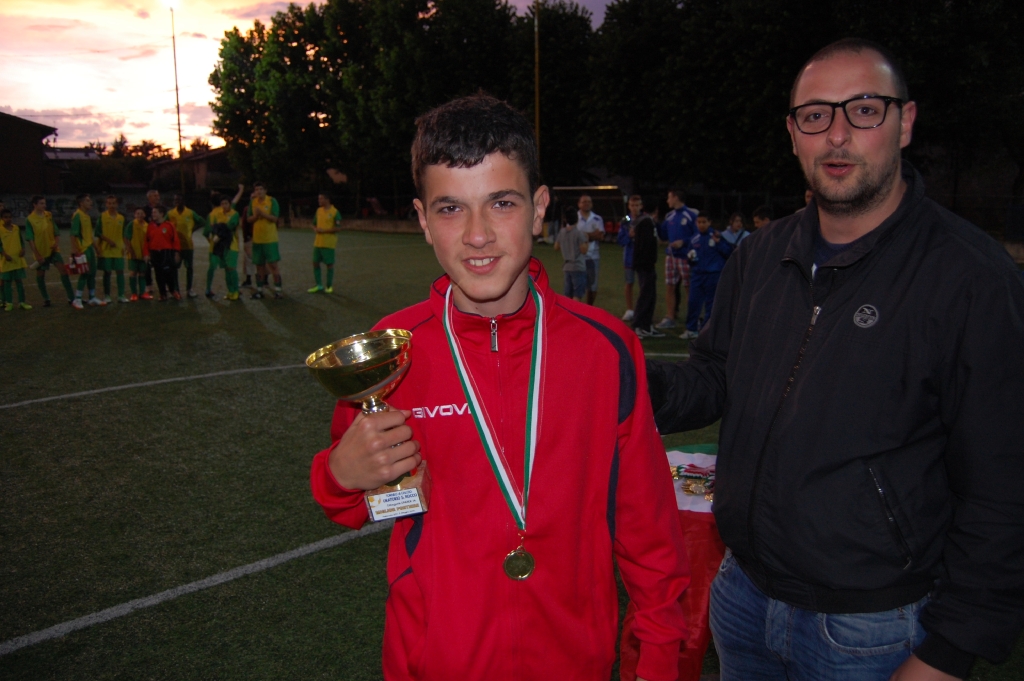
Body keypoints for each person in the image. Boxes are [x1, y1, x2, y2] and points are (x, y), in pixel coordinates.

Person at [646, 38, 1024, 681]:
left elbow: (1004, 485)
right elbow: (712, 378)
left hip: (872, 629)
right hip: (743, 597)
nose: (838, 134)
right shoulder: (760, 256)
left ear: (905, 122)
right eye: (816, 115)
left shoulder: (970, 278)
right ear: (794, 134)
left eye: (865, 110)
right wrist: (618, 376)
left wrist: (950, 650)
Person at [310, 93, 689, 681]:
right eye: (451, 209)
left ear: (539, 209)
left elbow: (649, 526)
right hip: (435, 661)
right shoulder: (392, 350)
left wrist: (660, 659)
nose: (478, 234)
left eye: (502, 203)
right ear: (423, 220)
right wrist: (339, 474)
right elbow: (350, 496)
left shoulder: (605, 347)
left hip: (574, 662)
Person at [680, 215, 732, 340]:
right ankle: (691, 329)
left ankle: (706, 331)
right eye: (699, 222)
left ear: (709, 222)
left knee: (711, 304)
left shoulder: (717, 236)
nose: (701, 225)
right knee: (693, 302)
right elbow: (689, 256)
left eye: (704, 222)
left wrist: (719, 243)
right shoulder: (694, 238)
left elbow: (729, 252)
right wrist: (691, 259)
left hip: (713, 275)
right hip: (697, 275)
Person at [656, 189, 698, 330]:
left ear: (676, 197)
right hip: (671, 256)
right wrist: (656, 223)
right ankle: (670, 317)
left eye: (669, 197)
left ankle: (693, 318)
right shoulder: (669, 216)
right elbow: (663, 235)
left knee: (689, 287)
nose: (667, 200)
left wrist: (683, 242)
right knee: (670, 286)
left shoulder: (691, 215)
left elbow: (698, 235)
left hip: (685, 257)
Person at [24, 195, 75, 307]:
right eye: (41, 203)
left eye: (45, 203)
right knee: (41, 275)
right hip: (41, 252)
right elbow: (30, 239)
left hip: (53, 250)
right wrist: (37, 254)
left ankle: (71, 298)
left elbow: (56, 231)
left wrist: (56, 243)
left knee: (63, 271)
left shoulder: (48, 215)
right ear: (35, 205)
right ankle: (46, 299)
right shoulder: (30, 219)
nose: (44, 205)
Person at [205, 185, 245, 300]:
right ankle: (230, 291)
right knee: (227, 269)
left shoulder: (234, 214)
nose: (224, 205)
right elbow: (214, 227)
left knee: (231, 268)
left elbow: (228, 227)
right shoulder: (217, 214)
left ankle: (236, 291)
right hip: (222, 246)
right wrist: (218, 228)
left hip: (232, 245)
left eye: (226, 203)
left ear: (229, 204)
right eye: (222, 203)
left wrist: (219, 231)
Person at [630, 197, 661, 338]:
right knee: (646, 295)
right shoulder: (646, 222)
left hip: (646, 264)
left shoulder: (646, 221)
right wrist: (643, 263)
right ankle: (638, 325)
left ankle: (647, 325)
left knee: (651, 295)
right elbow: (644, 246)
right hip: (645, 265)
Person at [247, 182, 282, 299]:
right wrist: (256, 216)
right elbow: (249, 219)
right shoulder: (253, 202)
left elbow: (275, 218)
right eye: (256, 190)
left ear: (265, 191)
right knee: (259, 265)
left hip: (270, 239)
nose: (259, 192)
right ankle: (260, 290)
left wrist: (262, 214)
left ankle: (278, 290)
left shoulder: (272, 201)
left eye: (261, 189)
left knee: (273, 265)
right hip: (257, 240)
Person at [168, 194, 208, 298]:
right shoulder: (170, 213)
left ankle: (189, 289)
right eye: (175, 200)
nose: (177, 201)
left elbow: (202, 221)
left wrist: (192, 229)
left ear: (183, 201)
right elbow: (164, 224)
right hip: (175, 246)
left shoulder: (190, 213)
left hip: (188, 245)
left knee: (189, 268)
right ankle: (176, 290)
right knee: (174, 268)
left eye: (179, 199)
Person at [70, 194, 104, 309]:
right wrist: (75, 249)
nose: (91, 202)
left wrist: (96, 248)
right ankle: (77, 299)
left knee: (92, 273)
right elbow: (73, 234)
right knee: (85, 273)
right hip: (82, 249)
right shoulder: (77, 215)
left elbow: (89, 235)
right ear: (81, 203)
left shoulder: (87, 216)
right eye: (88, 200)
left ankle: (92, 297)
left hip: (89, 248)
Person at [95, 195, 128, 303]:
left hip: (118, 249)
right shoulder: (102, 216)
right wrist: (108, 241)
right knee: (107, 272)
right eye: (109, 203)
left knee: (120, 271)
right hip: (106, 249)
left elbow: (123, 234)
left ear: (117, 204)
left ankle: (121, 295)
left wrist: (125, 245)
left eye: (113, 203)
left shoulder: (121, 218)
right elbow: (97, 232)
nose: (111, 205)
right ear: (106, 204)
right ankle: (107, 296)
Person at [145, 205, 181, 301]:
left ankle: (173, 291)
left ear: (161, 214)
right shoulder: (150, 226)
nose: (153, 214)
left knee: (168, 273)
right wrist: (146, 253)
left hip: (166, 252)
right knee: (158, 273)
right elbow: (147, 241)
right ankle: (163, 293)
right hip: (154, 252)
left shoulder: (169, 225)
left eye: (155, 212)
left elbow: (175, 240)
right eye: (152, 212)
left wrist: (177, 252)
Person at [308, 192, 342, 294]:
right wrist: (315, 229)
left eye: (321, 199)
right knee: (315, 263)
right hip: (318, 243)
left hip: (328, 243)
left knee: (329, 265)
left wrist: (324, 231)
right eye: (319, 199)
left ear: (327, 200)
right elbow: (313, 224)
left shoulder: (335, 212)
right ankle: (319, 285)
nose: (319, 201)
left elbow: (338, 228)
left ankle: (329, 286)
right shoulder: (318, 211)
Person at [553, 206, 587, 301]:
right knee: (577, 294)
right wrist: (586, 241)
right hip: (578, 266)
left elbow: (556, 247)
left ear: (565, 219)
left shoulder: (562, 232)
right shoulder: (579, 233)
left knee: (567, 294)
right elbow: (583, 250)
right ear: (577, 219)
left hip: (567, 266)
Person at [1, 209, 31, 311]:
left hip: (17, 259)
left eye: (10, 217)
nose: (8, 219)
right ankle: (9, 303)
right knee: (7, 282)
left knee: (19, 281)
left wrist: (23, 249)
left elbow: (21, 241)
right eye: (5, 217)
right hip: (7, 260)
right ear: (2, 218)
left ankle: (22, 302)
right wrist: (4, 254)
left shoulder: (16, 228)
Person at [576, 194, 604, 305]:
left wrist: (583, 235)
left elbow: (600, 236)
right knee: (577, 284)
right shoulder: (574, 218)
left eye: (589, 201)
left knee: (592, 285)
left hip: (593, 256)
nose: (586, 203)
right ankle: (577, 308)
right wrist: (592, 234)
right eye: (584, 201)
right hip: (578, 256)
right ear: (579, 204)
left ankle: (589, 308)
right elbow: (572, 235)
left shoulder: (597, 218)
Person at [616, 196, 640, 321]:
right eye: (632, 205)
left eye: (637, 205)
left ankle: (641, 309)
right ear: (629, 206)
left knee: (643, 284)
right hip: (629, 257)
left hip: (642, 257)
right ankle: (630, 309)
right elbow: (620, 240)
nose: (634, 208)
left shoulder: (645, 219)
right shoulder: (625, 221)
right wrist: (629, 237)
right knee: (629, 282)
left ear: (641, 206)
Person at [125, 208, 153, 301]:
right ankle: (134, 293)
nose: (140, 215)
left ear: (144, 215)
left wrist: (148, 253)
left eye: (141, 213)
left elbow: (149, 240)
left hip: (143, 254)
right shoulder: (132, 224)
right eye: (137, 213)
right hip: (134, 254)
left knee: (142, 273)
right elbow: (126, 238)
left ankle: (142, 293)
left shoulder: (147, 225)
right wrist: (131, 251)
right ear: (134, 215)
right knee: (133, 273)